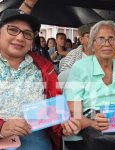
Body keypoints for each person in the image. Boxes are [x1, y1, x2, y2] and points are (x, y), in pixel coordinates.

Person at [0, 9, 81, 150]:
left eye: (27, 34)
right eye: (12, 30)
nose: (20, 38)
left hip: (35, 135)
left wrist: (64, 126)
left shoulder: (44, 68)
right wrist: (2, 127)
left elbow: (55, 109)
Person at [63, 20, 115, 150]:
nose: (107, 44)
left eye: (111, 39)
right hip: (87, 129)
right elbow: (73, 110)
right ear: (92, 43)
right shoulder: (80, 67)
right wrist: (92, 122)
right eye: (101, 39)